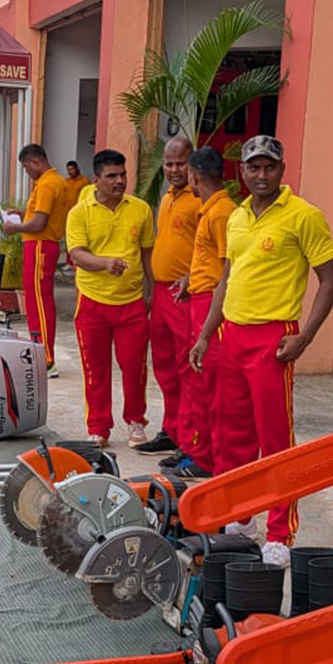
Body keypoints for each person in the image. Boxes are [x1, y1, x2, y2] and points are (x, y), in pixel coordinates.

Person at [190, 135, 333, 567]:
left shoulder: (303, 216)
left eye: (268, 167)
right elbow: (226, 281)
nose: (260, 175)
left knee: (275, 440)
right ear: (242, 172)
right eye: (252, 167)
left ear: (282, 169)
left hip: (273, 339)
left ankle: (281, 531)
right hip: (231, 337)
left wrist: (306, 337)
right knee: (233, 437)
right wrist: (205, 334)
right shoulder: (236, 217)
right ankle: (241, 518)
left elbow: (330, 281)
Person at [65, 149, 154, 448]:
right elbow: (77, 254)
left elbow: (147, 254)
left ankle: (135, 422)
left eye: (123, 174)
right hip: (92, 302)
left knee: (134, 368)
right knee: (95, 369)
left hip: (131, 303)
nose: (119, 181)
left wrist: (150, 292)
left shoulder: (140, 209)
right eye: (112, 176)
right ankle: (99, 427)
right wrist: (105, 263)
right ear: (96, 180)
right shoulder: (79, 212)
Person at [169, 145, 234, 479]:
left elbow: (228, 270)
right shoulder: (211, 210)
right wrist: (189, 279)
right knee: (197, 380)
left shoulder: (222, 212)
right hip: (200, 298)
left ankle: (209, 460)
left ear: (194, 175)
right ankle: (198, 450)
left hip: (213, 305)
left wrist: (209, 326)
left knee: (210, 384)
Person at [140, 137, 199, 454]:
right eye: (169, 163)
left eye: (181, 163)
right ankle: (171, 429)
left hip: (184, 295)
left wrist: (193, 277)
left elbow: (213, 250)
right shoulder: (167, 198)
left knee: (185, 367)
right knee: (163, 366)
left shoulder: (200, 200)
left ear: (193, 164)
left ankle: (189, 440)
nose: (174, 169)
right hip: (162, 293)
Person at [1, 143, 68, 374]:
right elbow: (41, 216)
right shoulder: (54, 181)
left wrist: (14, 228)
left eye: (26, 167)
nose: (27, 172)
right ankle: (42, 352)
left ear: (34, 162)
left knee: (38, 302)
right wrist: (22, 215)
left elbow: (39, 224)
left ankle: (46, 358)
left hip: (40, 246)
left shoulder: (47, 185)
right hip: (41, 246)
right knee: (38, 301)